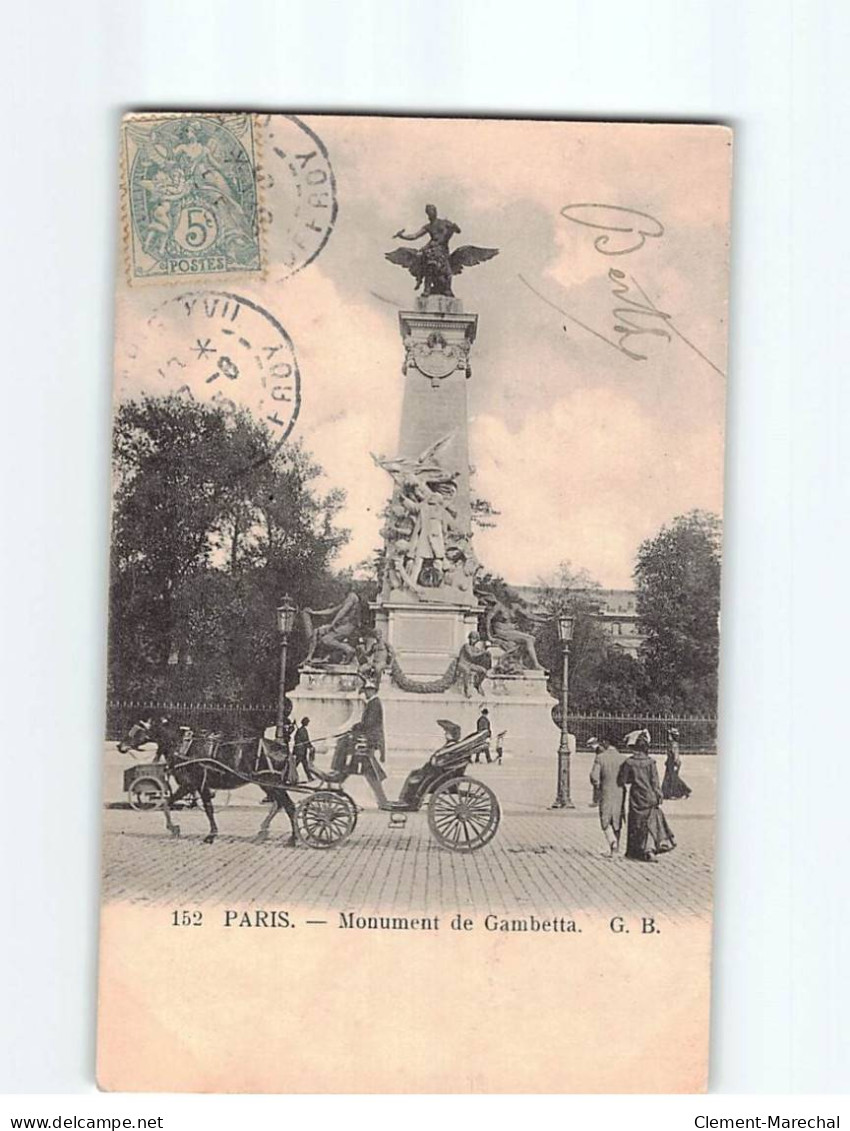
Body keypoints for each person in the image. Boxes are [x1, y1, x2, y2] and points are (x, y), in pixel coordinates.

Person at [617, 732, 676, 862]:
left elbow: (623, 780)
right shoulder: (650, 762)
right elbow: (655, 781)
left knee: (636, 822)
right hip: (650, 796)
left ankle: (635, 851)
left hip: (637, 796)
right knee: (650, 822)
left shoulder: (629, 762)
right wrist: (659, 795)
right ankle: (649, 849)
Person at [588, 736, 627, 857]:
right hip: (620, 791)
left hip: (606, 791)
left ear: (607, 743)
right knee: (617, 818)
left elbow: (594, 776)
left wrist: (598, 785)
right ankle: (616, 849)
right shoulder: (623, 759)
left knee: (605, 819)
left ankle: (612, 842)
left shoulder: (600, 757)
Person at [356, 683, 386, 764]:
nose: (365, 693)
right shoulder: (372, 702)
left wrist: (358, 726)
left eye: (366, 691)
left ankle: (339, 768)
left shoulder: (374, 703)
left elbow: (370, 722)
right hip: (372, 733)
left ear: (372, 691)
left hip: (372, 735)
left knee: (344, 742)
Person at [662, 727, 692, 799]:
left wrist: (676, 764)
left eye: (670, 735)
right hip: (670, 762)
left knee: (673, 778)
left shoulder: (674, 745)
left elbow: (676, 755)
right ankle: (668, 793)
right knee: (670, 778)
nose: (668, 736)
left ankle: (684, 791)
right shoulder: (671, 744)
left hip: (673, 763)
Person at [292, 717, 315, 782]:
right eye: (307, 722)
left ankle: (310, 777)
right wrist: (310, 746)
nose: (308, 723)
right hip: (300, 751)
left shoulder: (300, 730)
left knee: (304, 764)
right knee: (296, 764)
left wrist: (309, 746)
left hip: (300, 750)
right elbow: (305, 740)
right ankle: (287, 775)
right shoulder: (302, 730)